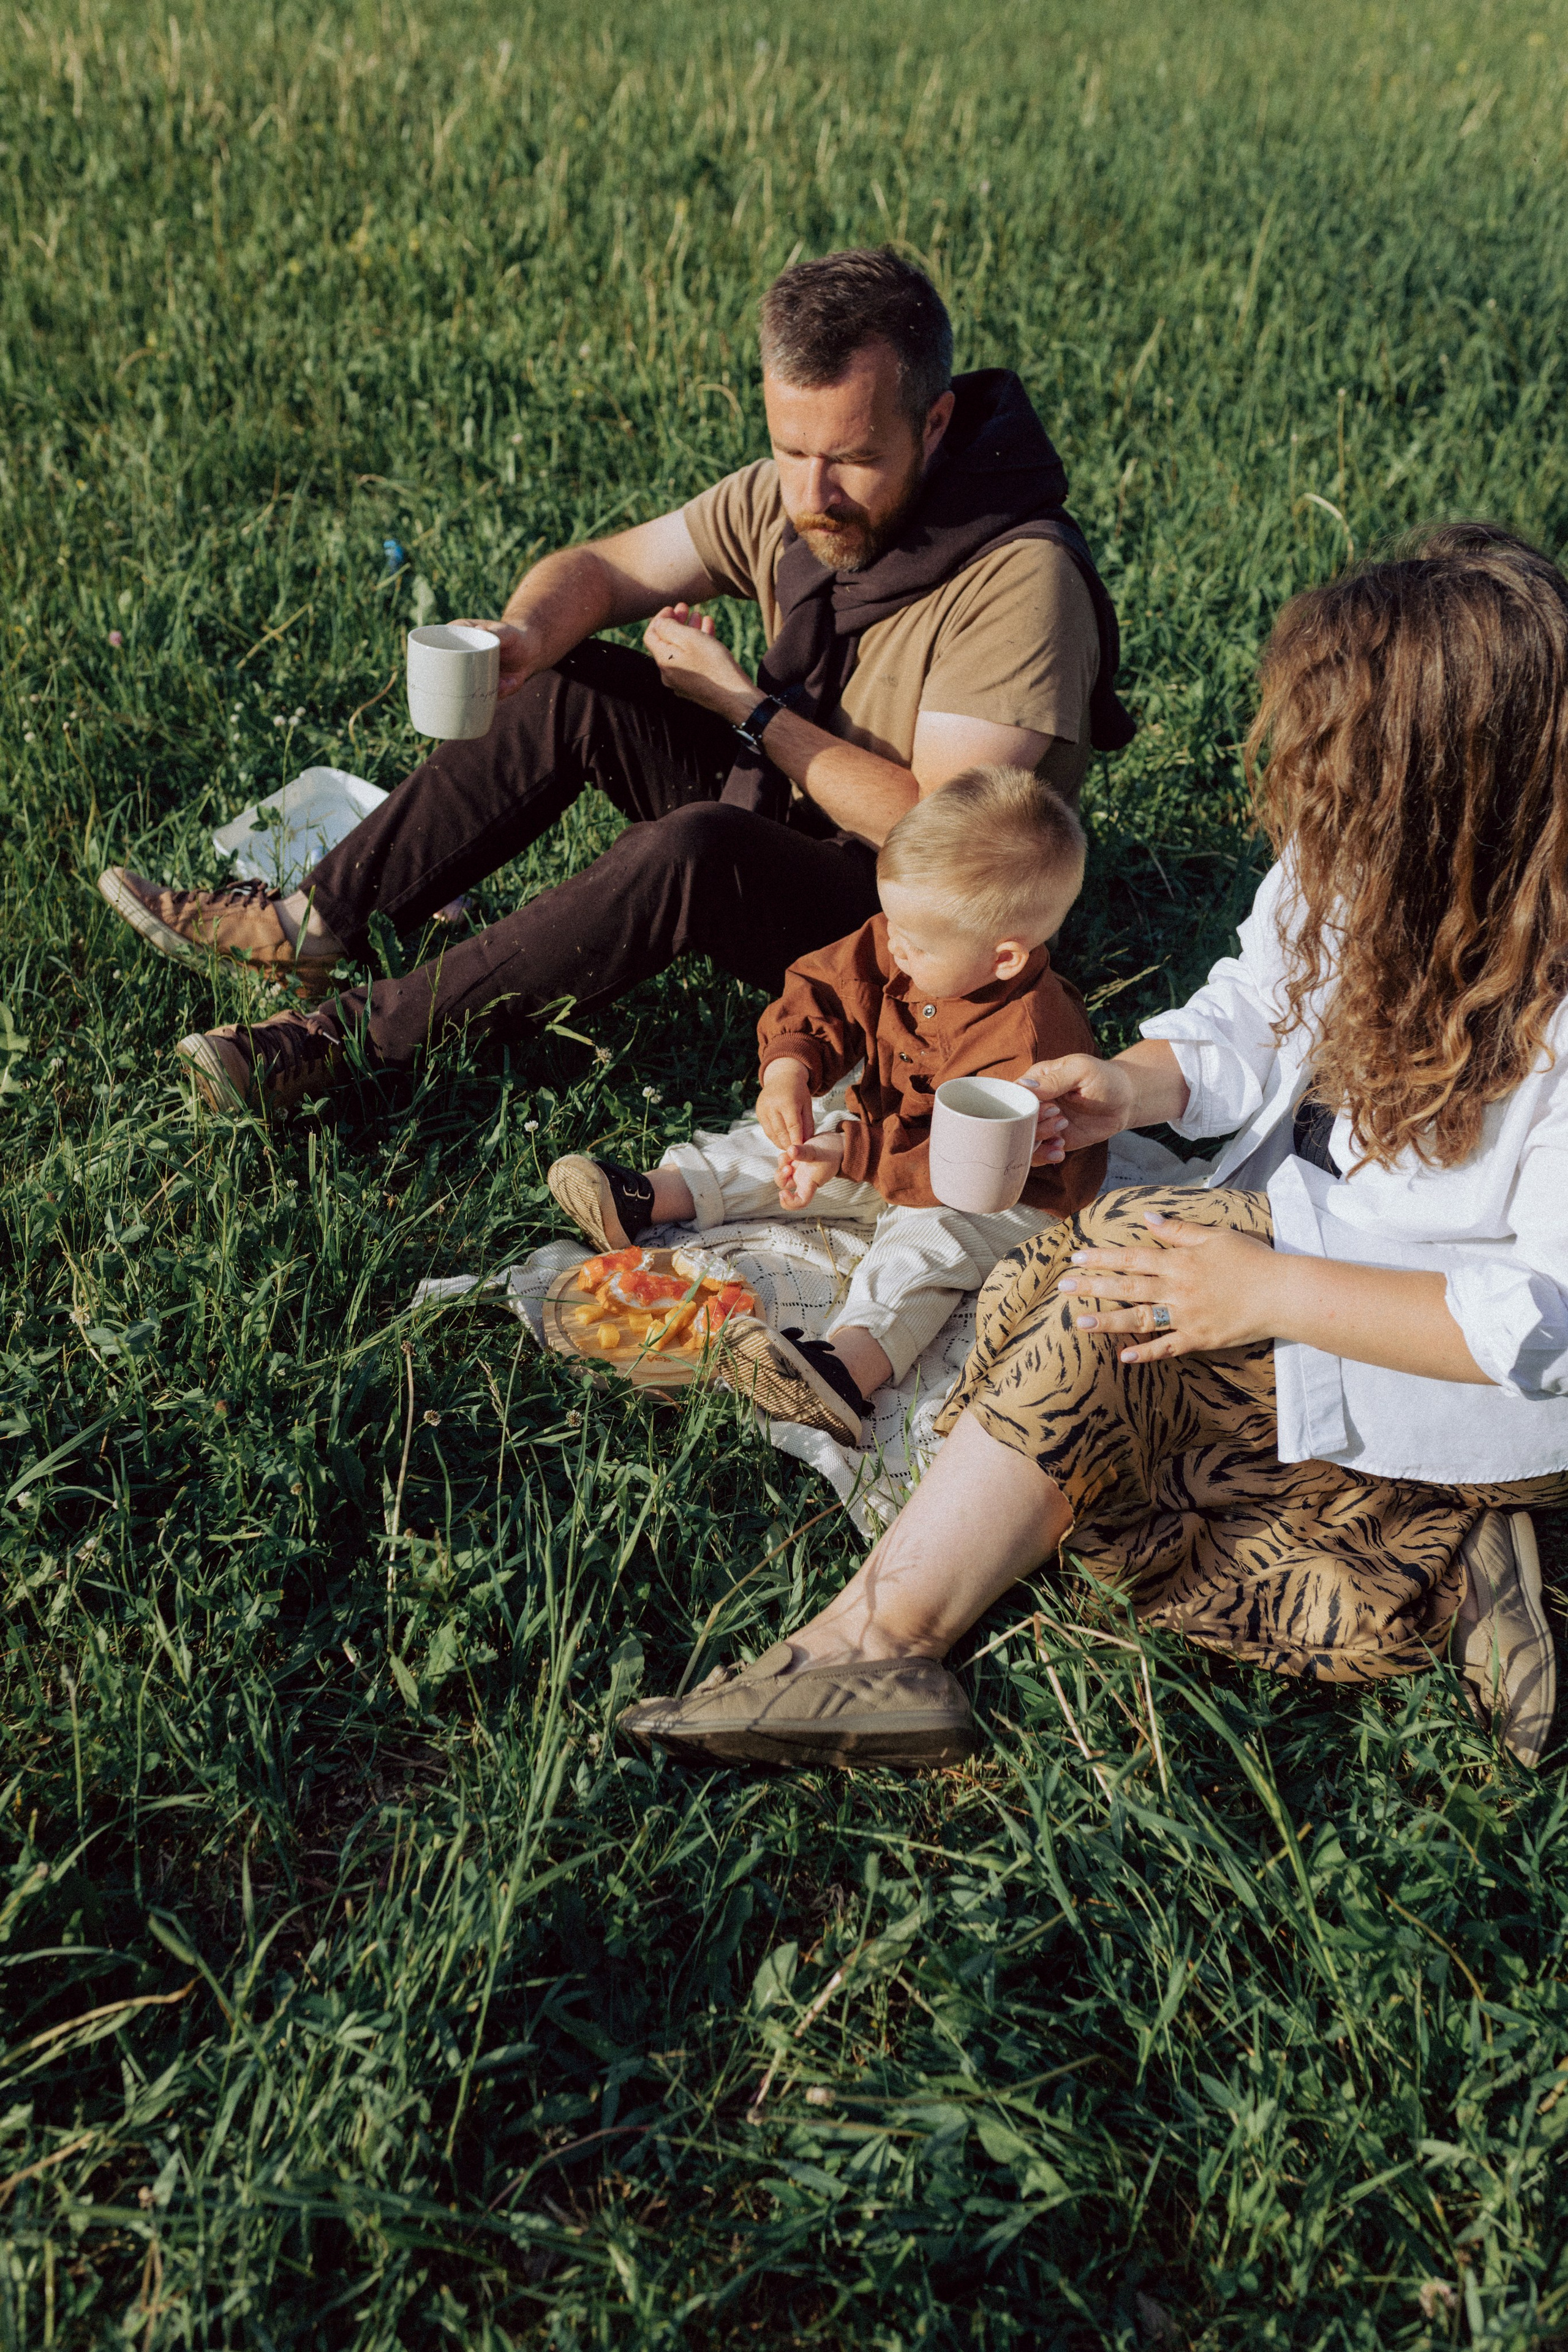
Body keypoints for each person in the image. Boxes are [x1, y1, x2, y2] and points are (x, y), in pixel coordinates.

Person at [620, 525, 1568, 1774]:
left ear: (1457, 794)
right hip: (1309, 1229)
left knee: (1106, 1293)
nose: (1305, 801)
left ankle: (873, 1639)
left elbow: (1544, 1318)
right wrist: (1120, 1086)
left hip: (1454, 1345)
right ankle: (1461, 1562)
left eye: (1342, 772)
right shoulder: (1358, 860)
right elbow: (1248, 1004)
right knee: (1033, 1300)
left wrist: (1265, 1289)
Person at [94, 247, 1133, 1114]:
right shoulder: (798, 495)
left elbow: (935, 842)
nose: (814, 495)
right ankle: (306, 928)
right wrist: (519, 635)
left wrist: (748, 710)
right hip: (796, 822)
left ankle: (347, 1044)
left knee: (699, 847)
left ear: (937, 424)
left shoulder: (1020, 578)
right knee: (570, 684)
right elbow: (603, 569)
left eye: (851, 459)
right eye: (789, 450)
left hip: (914, 934)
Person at [546, 767, 1108, 1445]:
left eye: (915, 941)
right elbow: (830, 988)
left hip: (998, 1194)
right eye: (891, 921)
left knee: (922, 1250)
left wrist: (850, 1154)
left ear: (1006, 957)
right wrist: (790, 1065)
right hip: (885, 1135)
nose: (893, 943)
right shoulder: (905, 942)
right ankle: (647, 1198)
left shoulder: (1030, 1038)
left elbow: (961, 1166)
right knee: (781, 1139)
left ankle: (843, 1371)